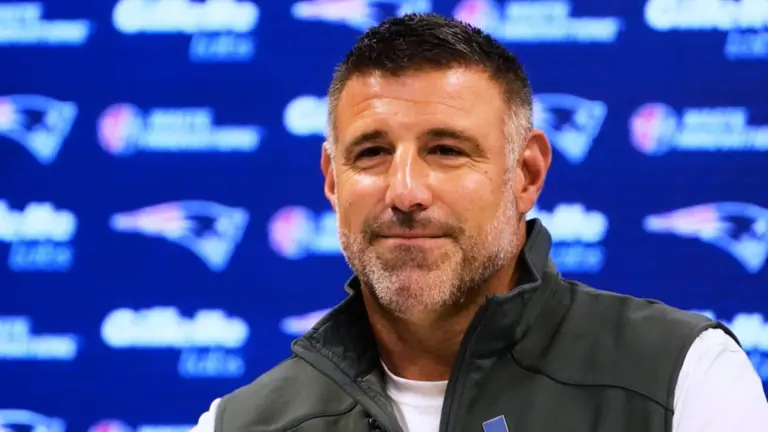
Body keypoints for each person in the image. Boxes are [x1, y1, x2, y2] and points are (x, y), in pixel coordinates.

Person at [192, 13, 767, 432]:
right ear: (332, 180)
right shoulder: (238, 424)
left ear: (527, 173)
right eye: (371, 153)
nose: (405, 191)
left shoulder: (683, 379)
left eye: (446, 150)